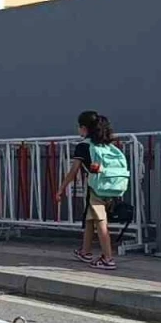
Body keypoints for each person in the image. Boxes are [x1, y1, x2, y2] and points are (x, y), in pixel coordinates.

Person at [56, 111, 124, 270]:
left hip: (96, 188)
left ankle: (108, 258)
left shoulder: (83, 146)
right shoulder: (108, 145)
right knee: (90, 218)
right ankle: (85, 251)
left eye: (79, 127)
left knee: (100, 221)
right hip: (112, 185)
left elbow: (73, 171)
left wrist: (61, 189)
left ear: (84, 128)